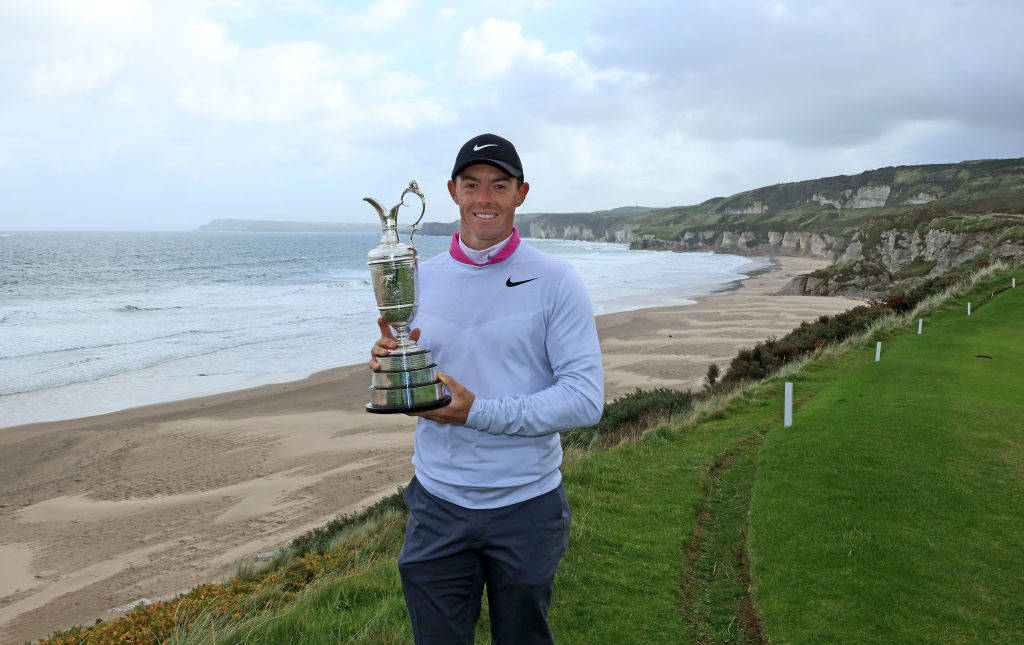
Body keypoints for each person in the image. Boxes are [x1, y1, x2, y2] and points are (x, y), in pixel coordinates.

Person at [369, 133, 604, 644]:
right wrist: (394, 368)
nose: (484, 198)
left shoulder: (557, 280)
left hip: (527, 505)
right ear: (452, 191)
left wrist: (477, 412)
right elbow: (422, 378)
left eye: (500, 185)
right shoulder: (418, 281)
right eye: (472, 184)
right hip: (437, 502)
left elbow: (585, 399)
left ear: (522, 194)